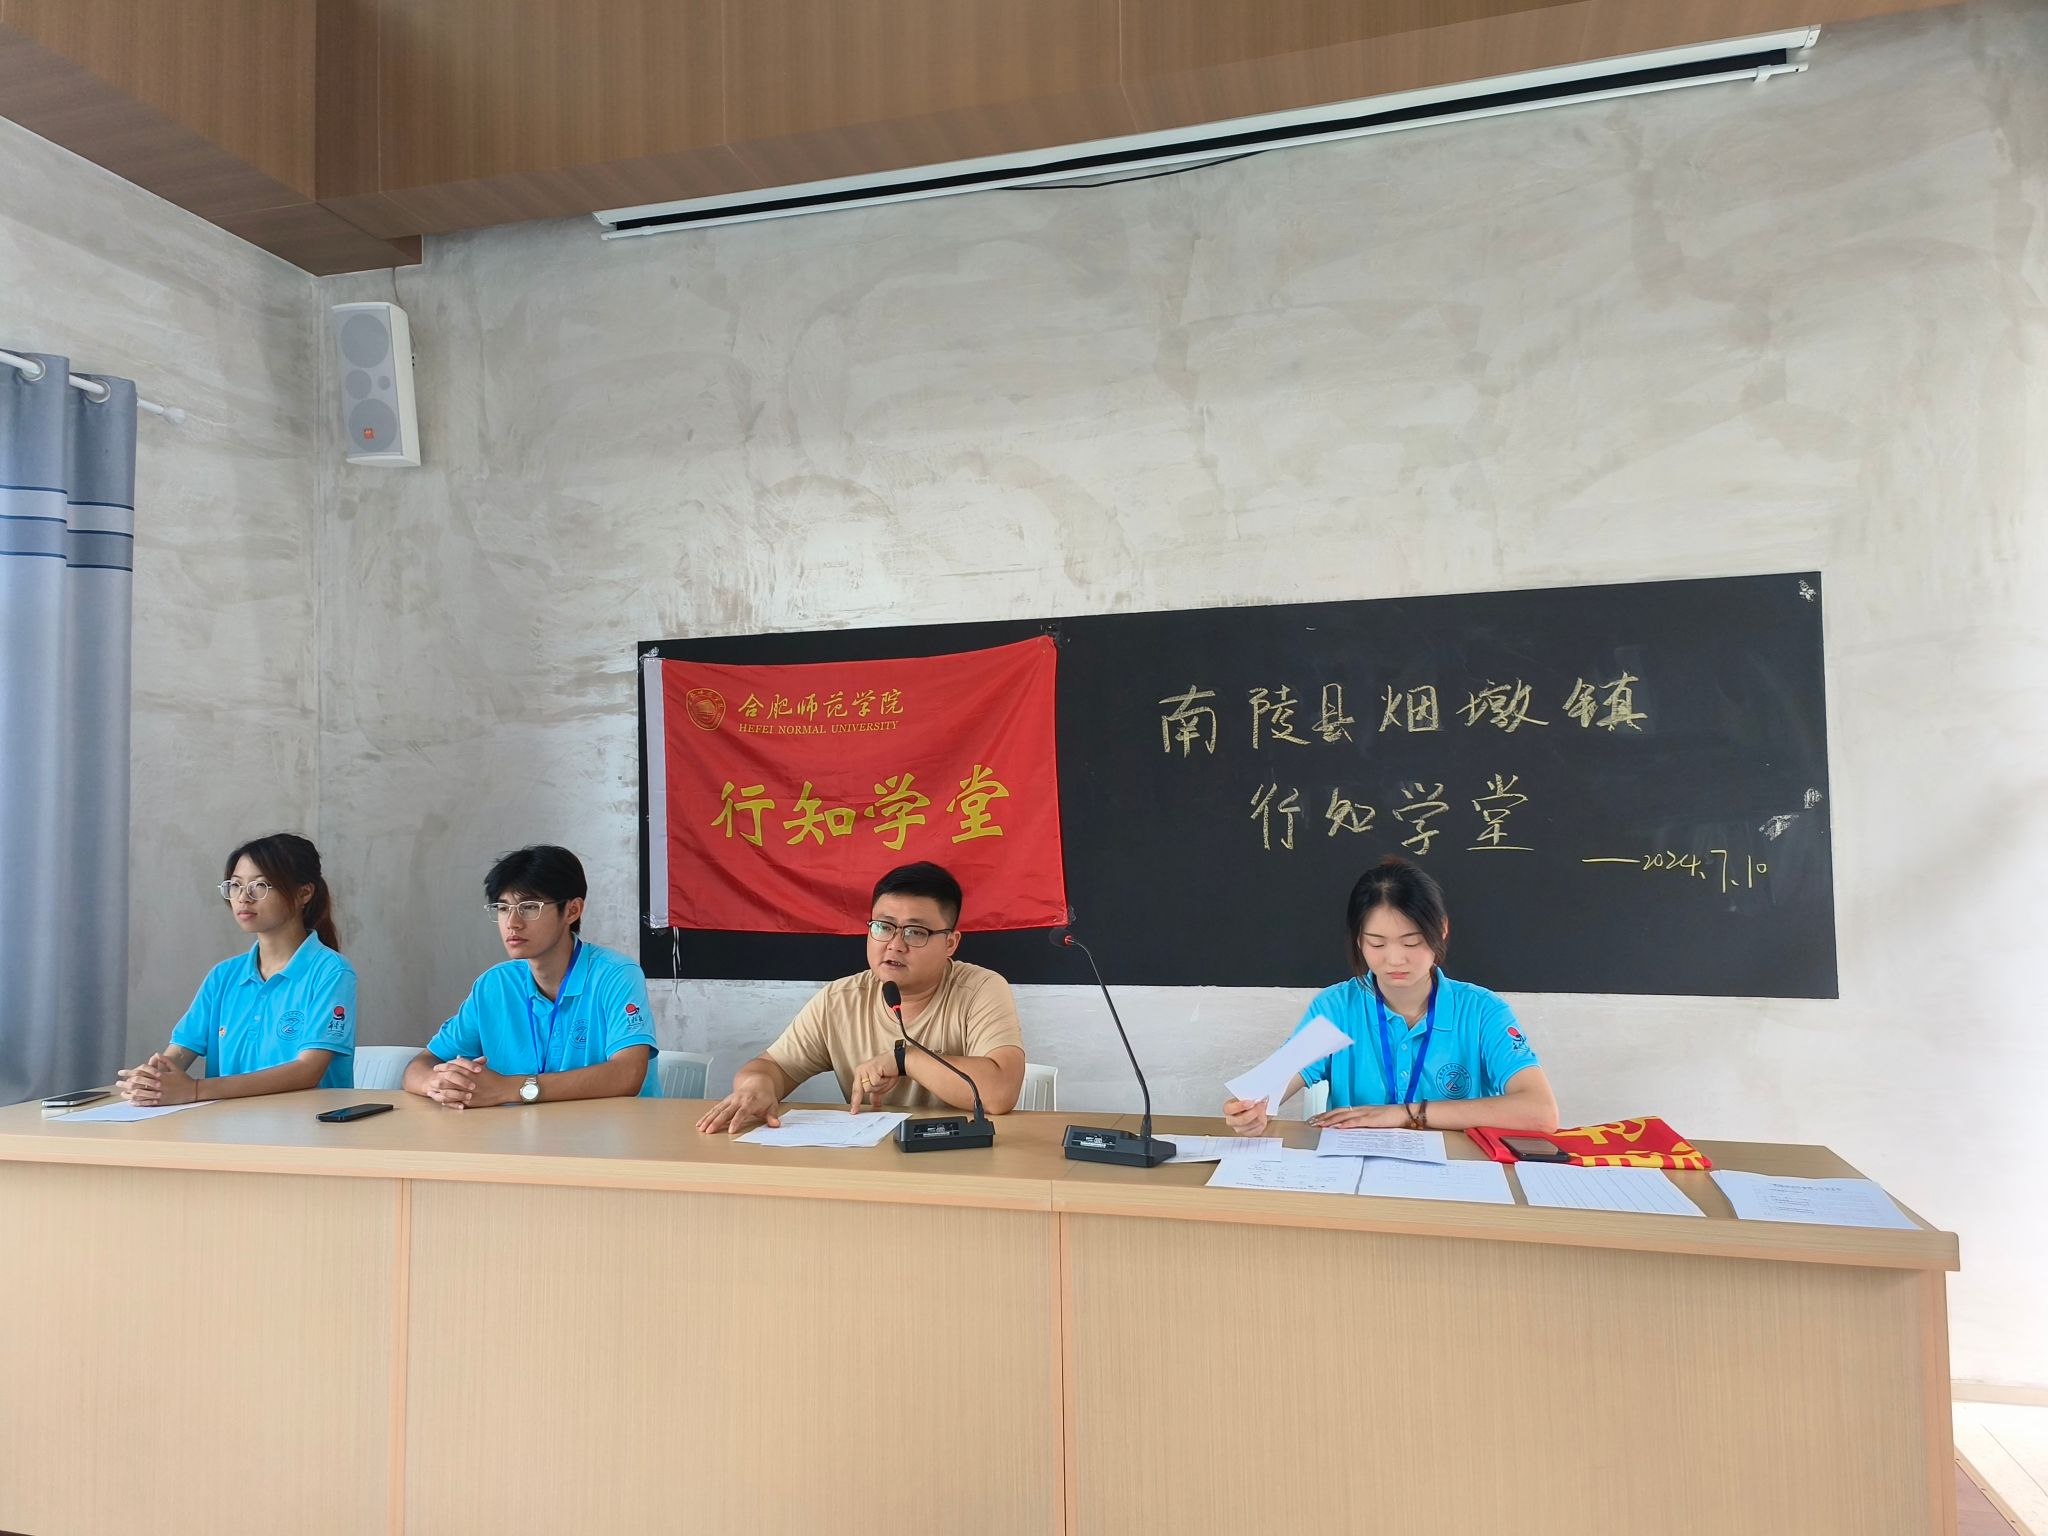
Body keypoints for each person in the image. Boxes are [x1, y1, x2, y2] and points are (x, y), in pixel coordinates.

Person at [1223, 855, 1558, 1136]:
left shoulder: (1483, 1012)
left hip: (1455, 1177)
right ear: (1359, 940)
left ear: (1441, 929)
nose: (1395, 959)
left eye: (1411, 942)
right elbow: (1272, 1084)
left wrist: (1406, 1114)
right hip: (1355, 1178)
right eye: (1377, 943)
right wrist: (1251, 1110)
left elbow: (1541, 1112)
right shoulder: (1337, 1008)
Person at [696, 861, 1026, 1135]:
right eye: (883, 927)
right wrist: (757, 1086)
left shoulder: (980, 989)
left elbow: (999, 1094)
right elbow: (771, 1066)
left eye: (915, 932)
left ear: (950, 943)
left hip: (961, 1160)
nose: (895, 944)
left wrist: (904, 1060)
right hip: (870, 1160)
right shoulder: (840, 1000)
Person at [402, 845, 656, 1108]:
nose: (512, 922)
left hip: (609, 1130)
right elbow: (421, 1065)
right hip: (518, 1131)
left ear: (572, 910)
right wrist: (440, 1084)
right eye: (503, 908)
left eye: (530, 907)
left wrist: (509, 1088)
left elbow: (628, 1074)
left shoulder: (616, 975)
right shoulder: (495, 985)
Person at [116, 833, 356, 1103]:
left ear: (304, 893)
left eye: (260, 885)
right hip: (227, 1123)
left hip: (308, 1123)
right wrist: (153, 1077)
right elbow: (180, 1051)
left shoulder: (331, 972)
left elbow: (307, 1071)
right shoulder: (223, 976)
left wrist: (195, 1090)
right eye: (235, 885)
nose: (243, 898)